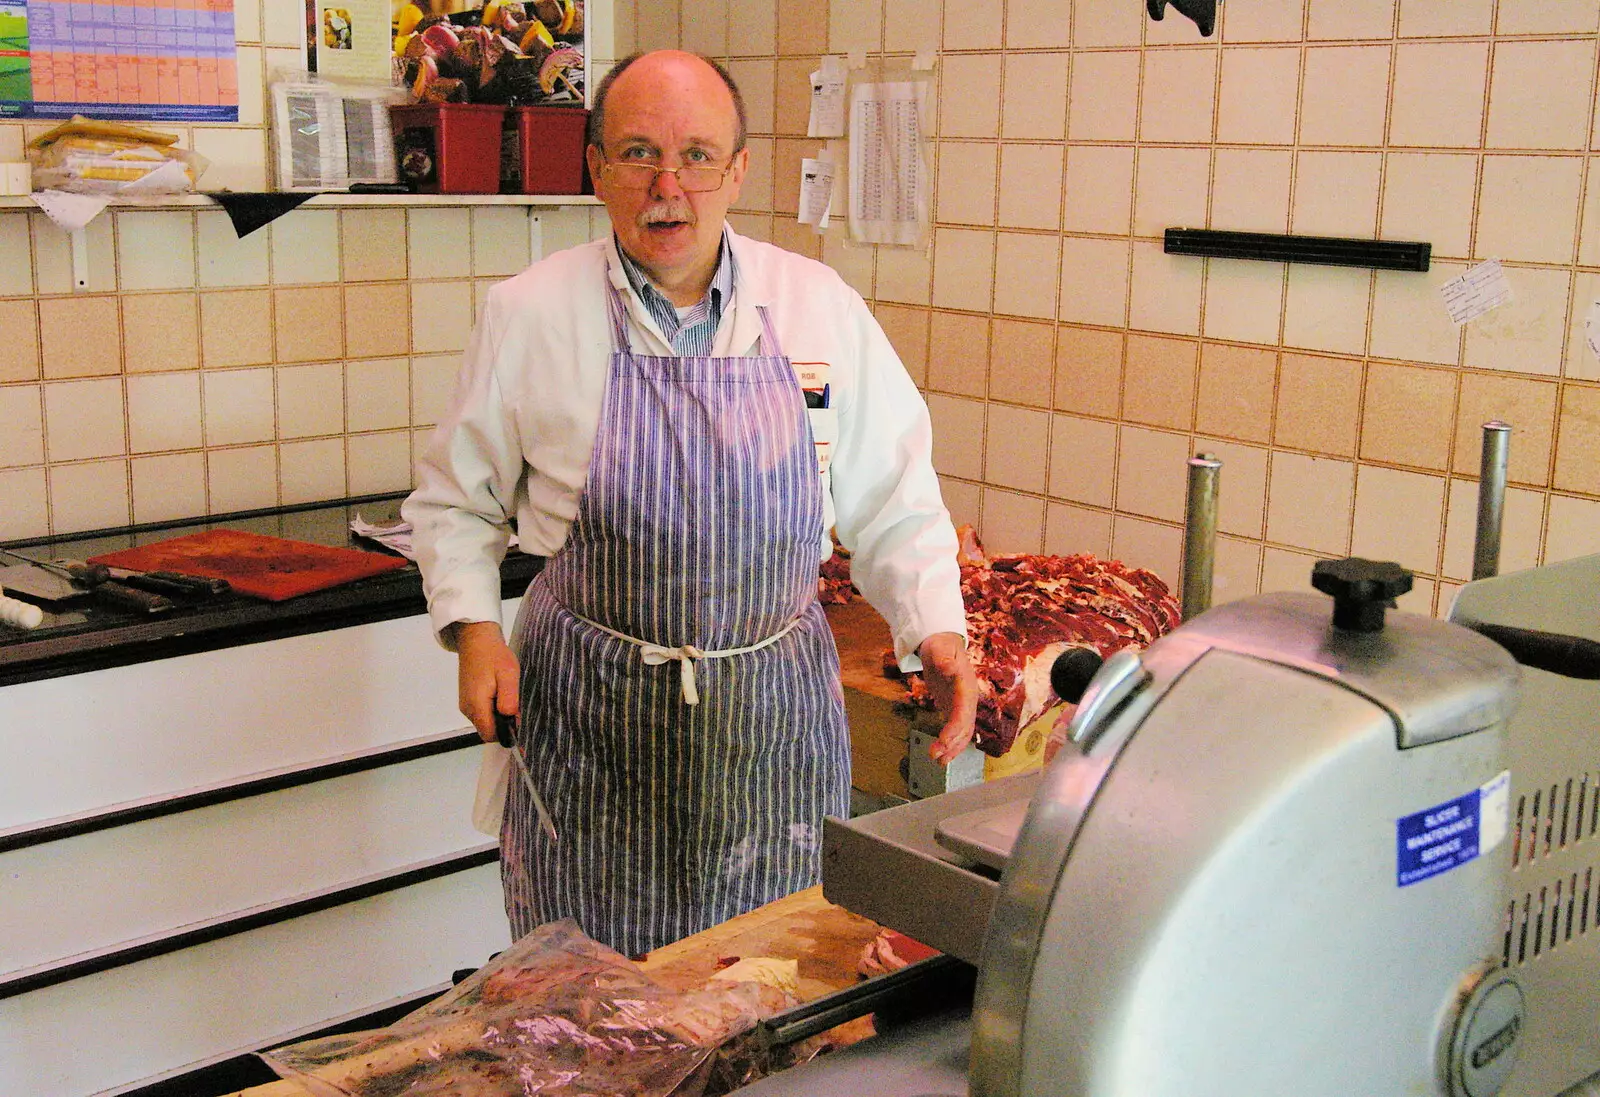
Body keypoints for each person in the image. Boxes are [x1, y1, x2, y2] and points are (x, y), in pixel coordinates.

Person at [403, 49, 977, 957]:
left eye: (699, 156)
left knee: (769, 992)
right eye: (637, 153)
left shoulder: (818, 305)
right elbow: (453, 503)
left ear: (739, 170)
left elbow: (894, 491)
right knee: (590, 1010)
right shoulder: (530, 313)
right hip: (591, 727)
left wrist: (933, 623)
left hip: (766, 728)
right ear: (594, 168)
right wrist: (473, 629)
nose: (670, 186)